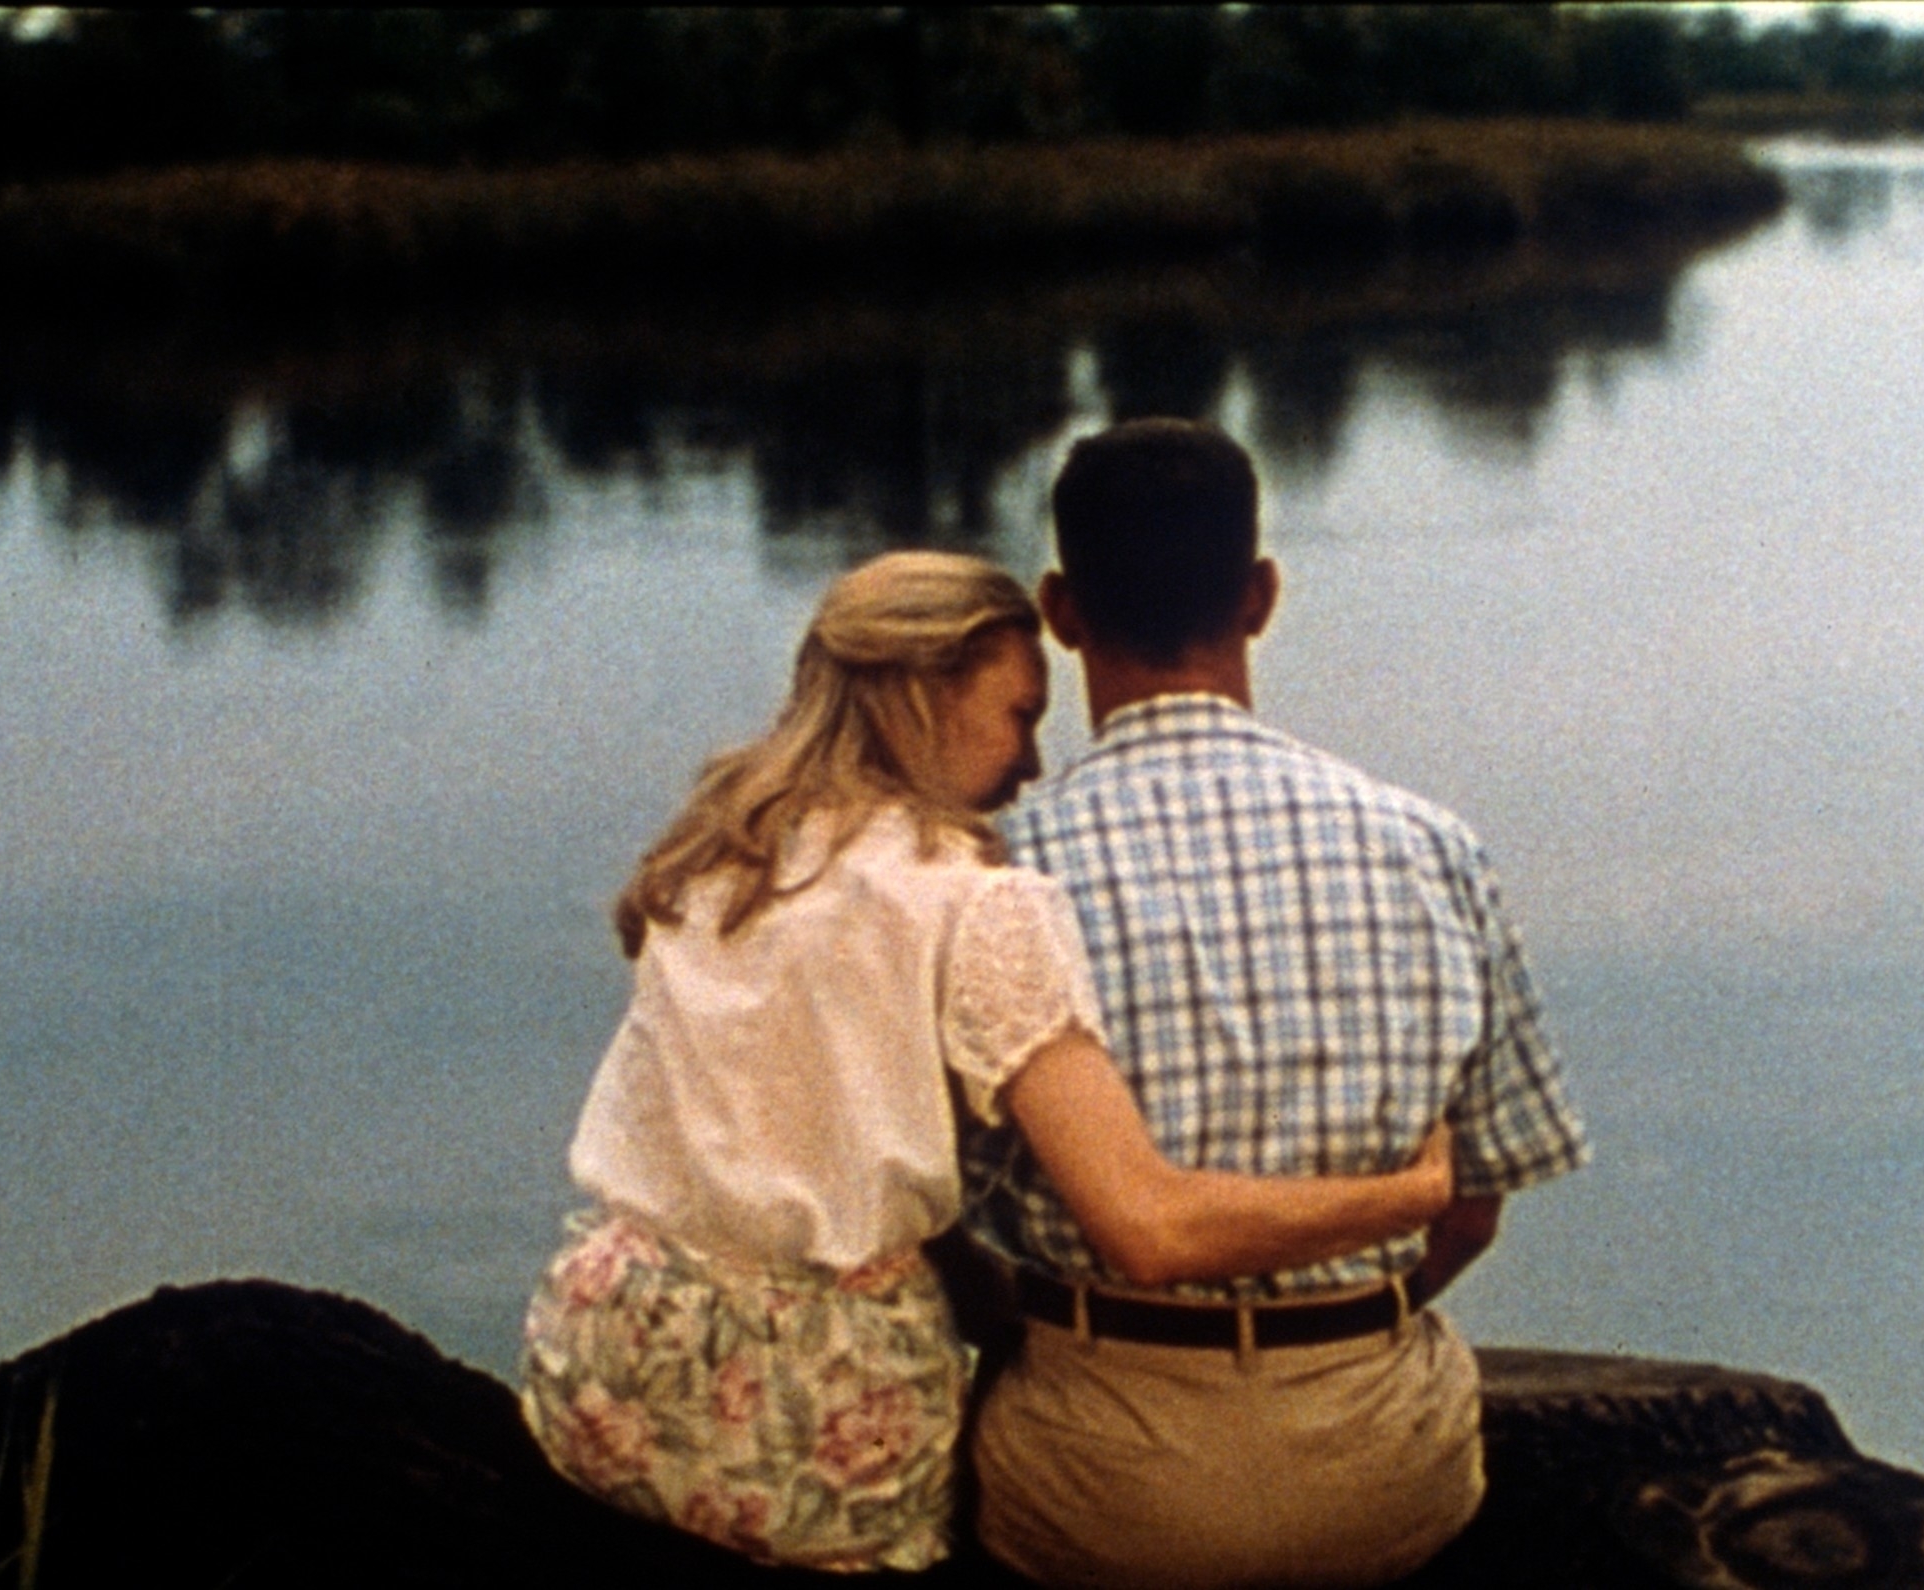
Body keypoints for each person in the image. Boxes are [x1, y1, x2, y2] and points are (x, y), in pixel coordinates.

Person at [518, 550, 1455, 1575]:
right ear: (926, 693)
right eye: (1018, 715)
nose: (1033, 767)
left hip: (602, 1355)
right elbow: (1147, 1226)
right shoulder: (976, 900)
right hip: (818, 1411)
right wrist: (1404, 1195)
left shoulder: (718, 854)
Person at [965, 417, 1590, 1590]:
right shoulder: (1430, 845)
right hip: (1380, 1469)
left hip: (1097, 1478)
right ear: (1260, 596)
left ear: (1059, 611)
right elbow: (1470, 1213)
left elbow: (926, 1210)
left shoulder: (986, 868)